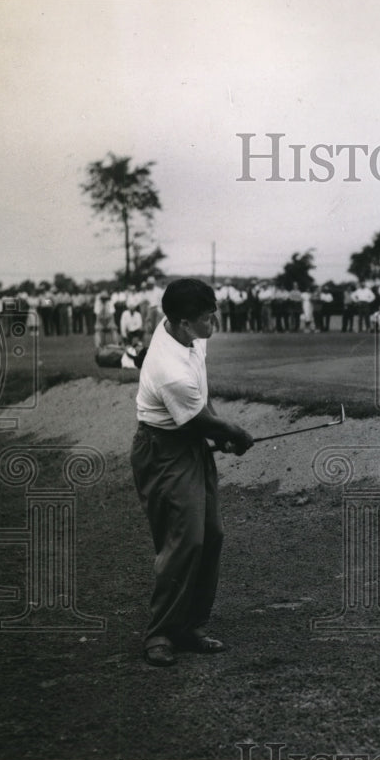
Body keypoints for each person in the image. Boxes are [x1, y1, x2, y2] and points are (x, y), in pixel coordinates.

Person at [130, 278, 254, 667]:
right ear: (184, 322)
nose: (214, 319)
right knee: (184, 540)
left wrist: (216, 431)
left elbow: (201, 398)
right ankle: (160, 633)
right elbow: (194, 414)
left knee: (211, 534)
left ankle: (191, 626)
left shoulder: (191, 338)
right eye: (206, 316)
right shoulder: (168, 367)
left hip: (190, 442)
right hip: (162, 450)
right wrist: (232, 433)